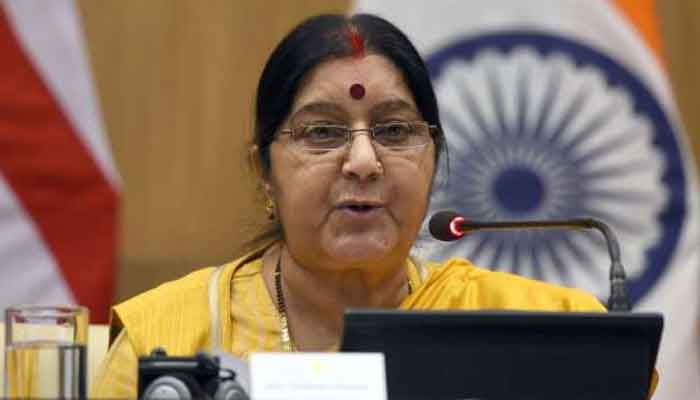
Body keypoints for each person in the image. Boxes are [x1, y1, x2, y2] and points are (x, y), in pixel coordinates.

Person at [91, 13, 654, 398]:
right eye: (322, 133)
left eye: (394, 130)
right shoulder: (170, 337)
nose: (363, 161)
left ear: (433, 161)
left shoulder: (542, 332)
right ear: (264, 173)